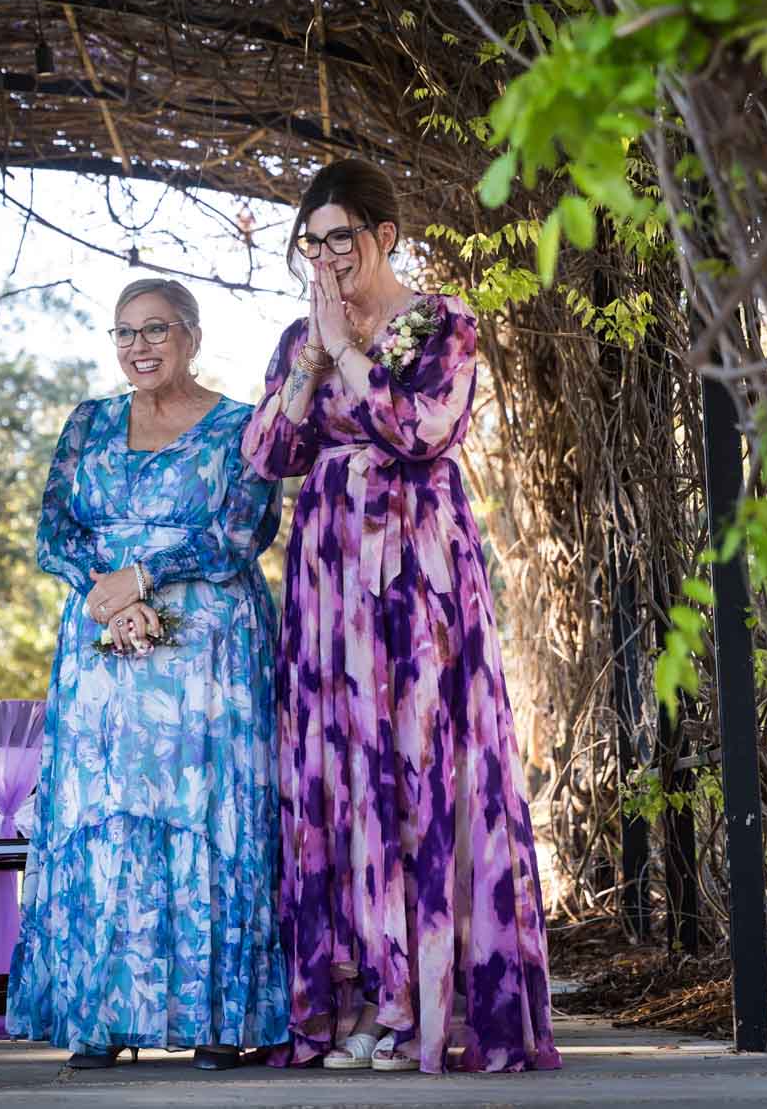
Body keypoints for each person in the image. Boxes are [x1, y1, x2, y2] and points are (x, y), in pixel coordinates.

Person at [242, 160, 562, 1075]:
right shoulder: (300, 336)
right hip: (330, 572)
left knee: (419, 766)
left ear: (385, 235)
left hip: (418, 566)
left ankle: (417, 1006)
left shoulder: (444, 318)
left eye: (342, 236)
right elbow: (268, 454)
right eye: (313, 242)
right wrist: (311, 359)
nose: (328, 257)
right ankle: (352, 999)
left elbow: (422, 432)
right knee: (339, 774)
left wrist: (349, 352)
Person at [7, 277, 289, 1071]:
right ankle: (103, 1018)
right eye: (125, 332)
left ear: (192, 335)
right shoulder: (87, 422)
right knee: (106, 817)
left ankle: (219, 1022)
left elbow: (242, 531)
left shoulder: (240, 426)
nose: (139, 346)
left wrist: (143, 574)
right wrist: (110, 596)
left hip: (208, 650)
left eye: (157, 329)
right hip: (102, 646)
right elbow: (54, 531)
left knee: (206, 819)